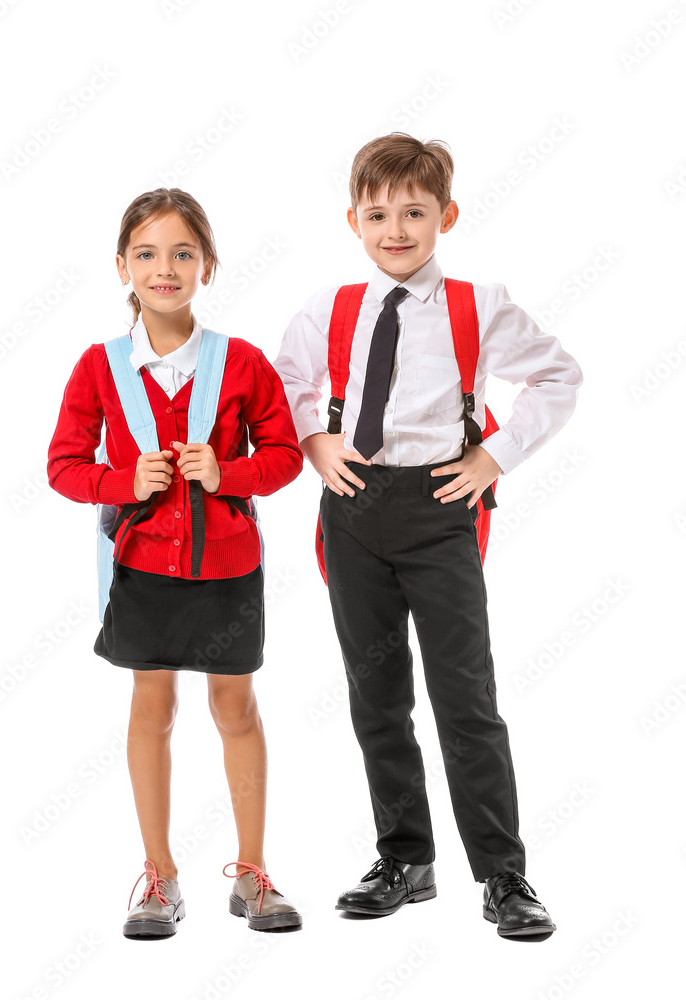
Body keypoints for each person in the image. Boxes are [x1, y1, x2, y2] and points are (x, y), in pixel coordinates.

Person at [274, 133, 583, 939]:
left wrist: (496, 454)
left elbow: (559, 376)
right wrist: (315, 442)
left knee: (465, 697)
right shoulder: (332, 307)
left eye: (414, 212)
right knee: (376, 697)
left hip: (441, 506)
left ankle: (504, 873)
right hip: (354, 509)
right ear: (353, 220)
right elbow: (286, 381)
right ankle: (405, 859)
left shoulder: (479, 304)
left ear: (446, 214)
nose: (396, 229)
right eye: (378, 214)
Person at [47, 188, 303, 938]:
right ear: (123, 266)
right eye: (148, 254)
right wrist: (122, 482)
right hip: (144, 572)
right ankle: (158, 878)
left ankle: (252, 874)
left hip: (228, 569)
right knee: (151, 711)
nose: (166, 269)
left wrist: (230, 473)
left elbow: (284, 455)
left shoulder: (243, 362)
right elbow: (64, 466)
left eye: (183, 253)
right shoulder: (100, 368)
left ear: (208, 265)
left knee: (236, 709)